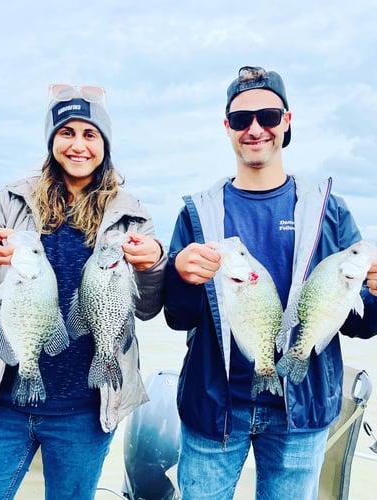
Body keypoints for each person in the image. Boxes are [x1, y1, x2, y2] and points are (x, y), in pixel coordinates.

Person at [163, 65, 377, 499]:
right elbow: (178, 317)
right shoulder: (197, 213)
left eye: (268, 116)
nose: (255, 129)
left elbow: (361, 324)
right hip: (214, 408)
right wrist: (180, 277)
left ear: (287, 121)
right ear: (227, 128)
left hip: (301, 411)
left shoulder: (328, 211)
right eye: (242, 120)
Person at [0, 83, 166, 499]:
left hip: (85, 411)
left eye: (90, 134)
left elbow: (149, 309)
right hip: (0, 407)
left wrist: (153, 264)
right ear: (51, 141)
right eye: (67, 132)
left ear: (105, 144)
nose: (78, 145)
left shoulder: (132, 214)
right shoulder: (9, 201)